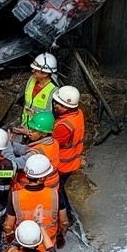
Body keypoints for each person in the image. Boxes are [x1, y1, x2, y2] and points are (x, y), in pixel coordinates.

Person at [5, 155, 68, 250]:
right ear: (42, 178)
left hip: (24, 245)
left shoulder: (15, 196)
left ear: (27, 174)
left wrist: (10, 236)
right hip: (48, 245)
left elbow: (8, 226)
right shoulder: (56, 194)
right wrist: (61, 235)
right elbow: (64, 222)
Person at [51, 86, 86, 216]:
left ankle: (66, 216)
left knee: (57, 191)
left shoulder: (64, 126)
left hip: (62, 164)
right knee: (60, 189)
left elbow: (52, 144)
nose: (54, 105)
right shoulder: (78, 113)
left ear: (66, 107)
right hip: (73, 161)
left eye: (58, 104)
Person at [8, 111, 58, 178]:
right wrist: (11, 144)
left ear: (44, 134)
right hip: (50, 183)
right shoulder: (52, 142)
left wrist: (6, 146)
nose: (30, 131)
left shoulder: (35, 153)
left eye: (34, 130)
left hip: (30, 185)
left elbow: (15, 164)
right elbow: (26, 149)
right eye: (30, 128)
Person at [20, 53, 59, 131]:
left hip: (40, 132)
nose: (32, 71)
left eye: (36, 70)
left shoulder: (54, 91)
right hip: (25, 127)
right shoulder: (31, 79)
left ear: (44, 73)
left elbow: (55, 116)